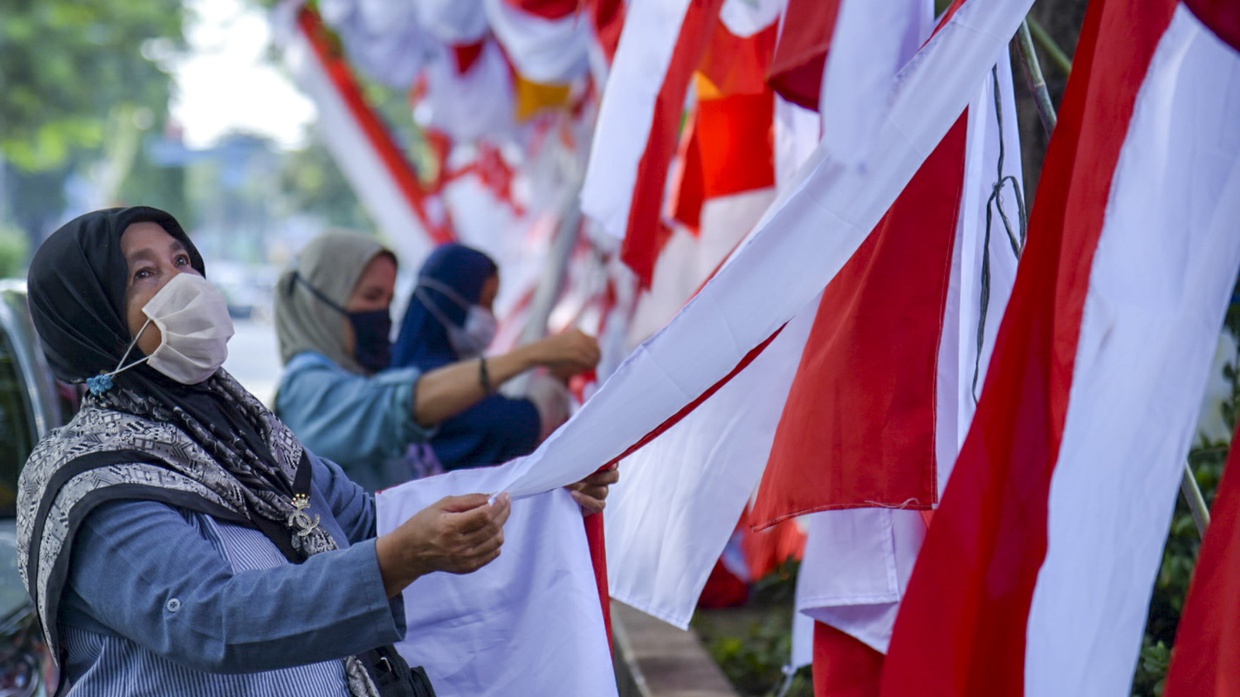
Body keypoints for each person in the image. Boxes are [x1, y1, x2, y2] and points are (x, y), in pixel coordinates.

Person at [15, 206, 608, 695]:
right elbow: (208, 619)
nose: (184, 283)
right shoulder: (92, 478)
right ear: (88, 317)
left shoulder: (247, 435)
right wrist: (395, 561)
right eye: (144, 274)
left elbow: (369, 517)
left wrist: (534, 491)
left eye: (181, 260)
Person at [273, 232, 600, 489]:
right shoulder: (306, 388)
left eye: (388, 300)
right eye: (371, 297)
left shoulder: (365, 375)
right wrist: (534, 355)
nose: (382, 314)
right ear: (320, 304)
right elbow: (397, 406)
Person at [390, 243, 587, 471]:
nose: (492, 317)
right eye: (487, 302)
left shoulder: (399, 365)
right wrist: (556, 371)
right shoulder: (424, 385)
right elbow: (516, 427)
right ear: (452, 300)